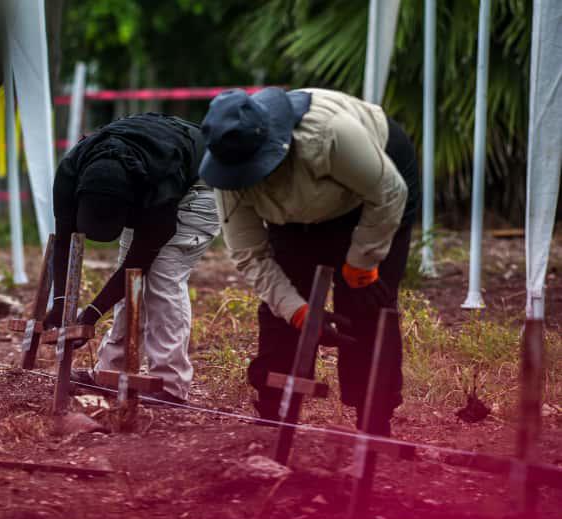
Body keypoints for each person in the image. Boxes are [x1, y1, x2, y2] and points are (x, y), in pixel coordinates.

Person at [199, 87, 420, 435]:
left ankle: (374, 420)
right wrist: (300, 313)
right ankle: (275, 413)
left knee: (364, 301)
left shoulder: (329, 134)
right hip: (294, 217)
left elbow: (388, 192)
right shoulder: (230, 169)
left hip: (373, 191)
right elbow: (251, 255)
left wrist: (361, 264)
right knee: (281, 308)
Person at [45, 113, 221, 405]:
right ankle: (111, 372)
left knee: (162, 277)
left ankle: (170, 384)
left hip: (199, 185)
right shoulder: (70, 172)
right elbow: (64, 242)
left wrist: (89, 316)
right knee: (131, 284)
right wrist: (60, 304)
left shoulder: (158, 188)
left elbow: (138, 263)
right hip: (148, 178)